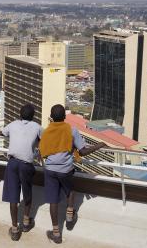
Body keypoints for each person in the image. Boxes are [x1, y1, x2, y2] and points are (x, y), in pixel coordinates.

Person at [39, 104, 106, 244]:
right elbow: (82, 152)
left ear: (51, 118)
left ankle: (56, 233)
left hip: (50, 169)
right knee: (69, 191)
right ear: (64, 117)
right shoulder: (71, 130)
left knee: (53, 200)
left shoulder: (46, 132)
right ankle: (70, 216)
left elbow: (42, 151)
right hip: (65, 169)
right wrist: (99, 145)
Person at [1, 104, 43, 241]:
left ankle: (14, 229)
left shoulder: (13, 124)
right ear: (33, 116)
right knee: (27, 193)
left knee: (13, 196)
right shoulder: (37, 127)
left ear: (20, 114)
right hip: (26, 164)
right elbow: (44, 138)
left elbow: (3, 132)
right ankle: (25, 222)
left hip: (12, 163)